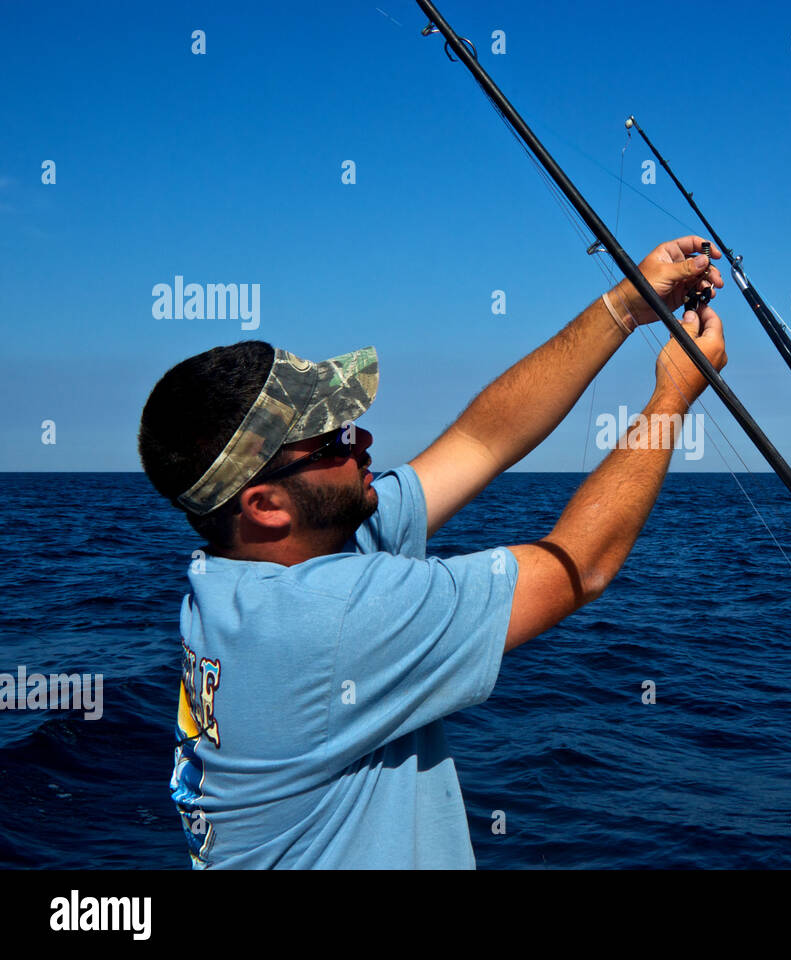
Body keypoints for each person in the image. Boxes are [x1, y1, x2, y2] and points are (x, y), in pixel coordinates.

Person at [136, 237, 725, 868]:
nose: (363, 439)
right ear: (266, 507)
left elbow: (480, 441)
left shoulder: (244, 570)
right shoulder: (331, 620)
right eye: (333, 438)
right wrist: (672, 397)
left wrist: (625, 306)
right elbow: (581, 565)